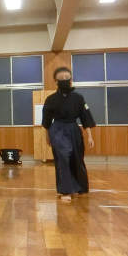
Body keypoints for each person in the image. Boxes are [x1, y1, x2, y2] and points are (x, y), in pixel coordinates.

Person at [42, 67, 95, 203]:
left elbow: (85, 117)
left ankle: (79, 187)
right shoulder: (50, 99)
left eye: (67, 77)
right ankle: (65, 190)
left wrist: (90, 136)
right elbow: (46, 121)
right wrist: (47, 136)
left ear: (71, 80)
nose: (65, 80)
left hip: (73, 129)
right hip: (57, 130)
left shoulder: (78, 98)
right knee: (63, 158)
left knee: (77, 158)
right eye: (62, 78)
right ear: (56, 81)